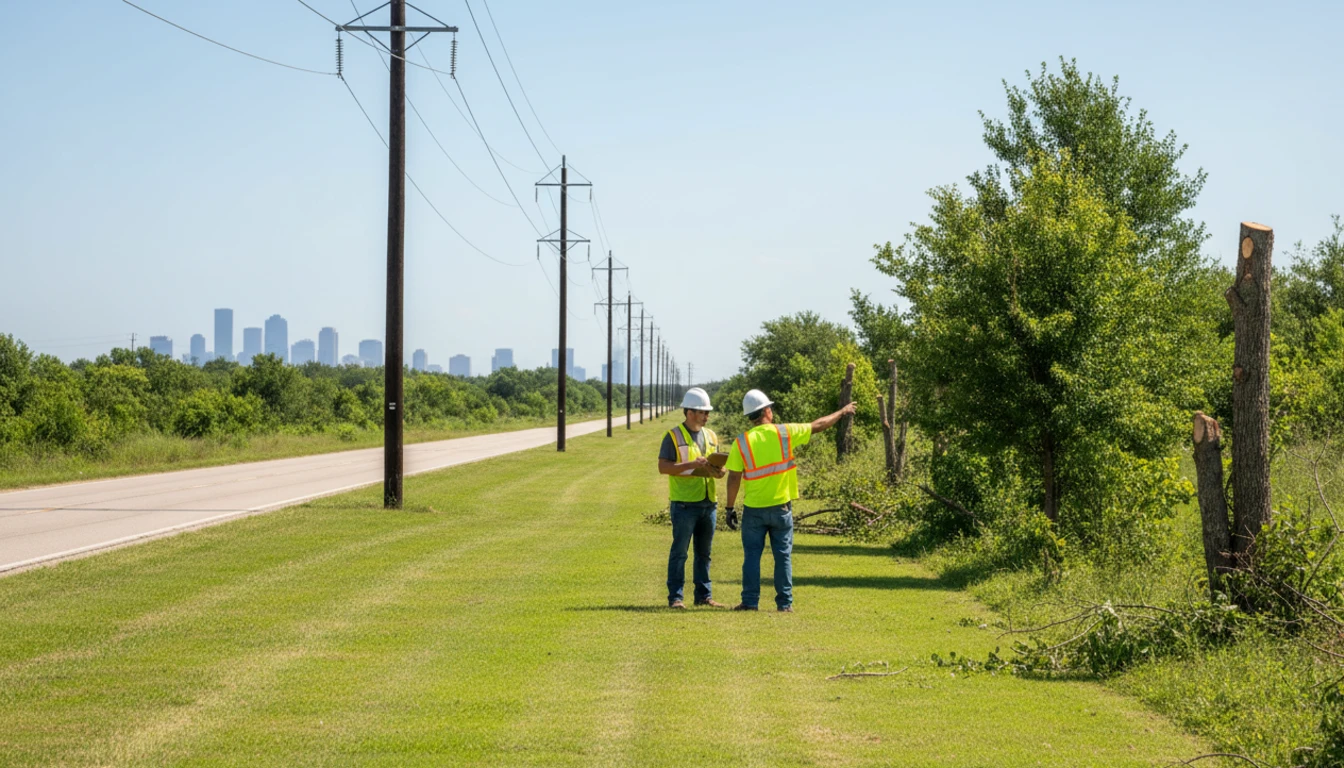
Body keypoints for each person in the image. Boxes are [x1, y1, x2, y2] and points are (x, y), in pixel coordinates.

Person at [724, 389, 856, 612]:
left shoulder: (742, 442)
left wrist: (729, 508)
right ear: (767, 411)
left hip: (754, 509)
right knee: (783, 557)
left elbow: (734, 477)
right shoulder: (784, 433)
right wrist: (842, 411)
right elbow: (819, 425)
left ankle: (749, 602)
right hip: (781, 508)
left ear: (750, 416)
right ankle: (784, 604)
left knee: (752, 557)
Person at [657, 387, 727, 609]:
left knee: (704, 554)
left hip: (708, 502)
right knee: (680, 553)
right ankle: (676, 598)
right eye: (702, 412)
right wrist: (692, 464)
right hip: (685, 504)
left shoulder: (712, 436)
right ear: (689, 412)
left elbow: (720, 470)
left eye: (707, 412)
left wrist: (719, 471)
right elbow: (663, 467)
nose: (707, 416)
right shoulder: (673, 436)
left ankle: (704, 596)